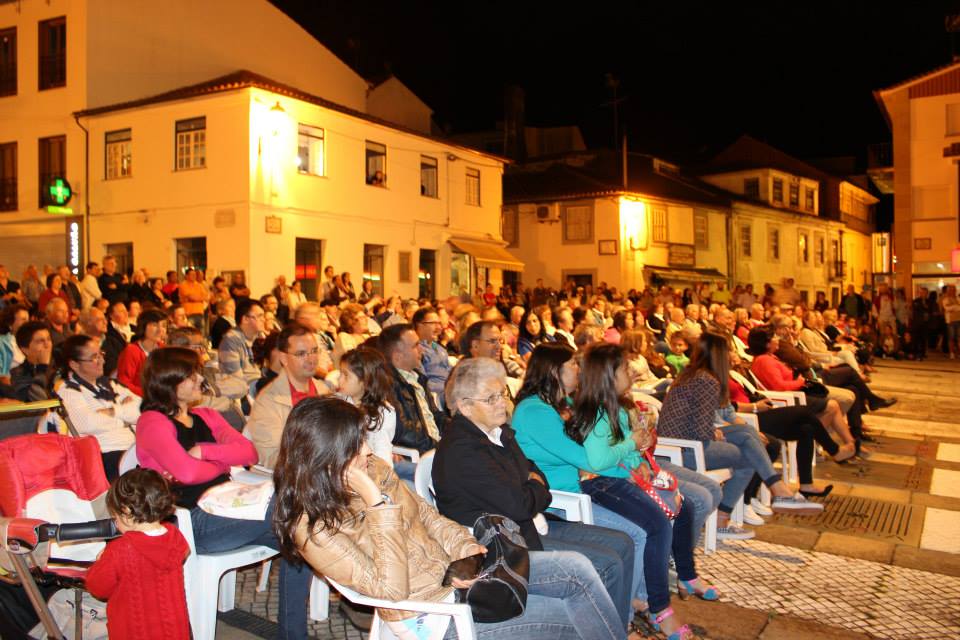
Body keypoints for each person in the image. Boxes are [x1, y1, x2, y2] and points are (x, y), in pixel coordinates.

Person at [272, 396, 634, 640]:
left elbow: (428, 518)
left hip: (460, 578)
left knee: (577, 569)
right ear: (326, 455)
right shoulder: (312, 528)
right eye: (356, 445)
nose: (368, 450)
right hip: (433, 614)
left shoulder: (373, 468)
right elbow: (392, 591)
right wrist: (377, 506)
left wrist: (468, 552)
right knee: (567, 616)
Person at [432, 358, 640, 635]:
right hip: (499, 553)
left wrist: (532, 485)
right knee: (588, 567)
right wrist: (535, 487)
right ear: (466, 405)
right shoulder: (464, 450)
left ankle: (615, 626)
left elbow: (532, 471)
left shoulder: (497, 432)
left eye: (502, 393)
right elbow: (520, 503)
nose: (500, 403)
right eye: (490, 398)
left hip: (525, 528)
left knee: (622, 544)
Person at [135, 347, 311, 636]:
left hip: (229, 507)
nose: (198, 381)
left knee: (301, 540)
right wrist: (220, 464)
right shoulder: (153, 422)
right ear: (168, 382)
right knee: (294, 510)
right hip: (192, 521)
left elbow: (248, 451)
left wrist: (204, 451)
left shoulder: (205, 416)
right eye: (189, 376)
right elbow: (187, 473)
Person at [658, 331, 824, 538]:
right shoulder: (707, 381)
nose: (730, 354)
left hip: (679, 444)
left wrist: (715, 431)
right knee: (747, 452)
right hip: (687, 449)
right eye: (727, 350)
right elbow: (699, 430)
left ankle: (770, 494)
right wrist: (714, 431)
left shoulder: (692, 375)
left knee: (747, 438)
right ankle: (773, 493)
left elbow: (691, 420)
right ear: (718, 354)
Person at [85, 469, 190, 640]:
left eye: (115, 517)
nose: (115, 522)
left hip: (134, 632)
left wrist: (100, 562)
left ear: (126, 513)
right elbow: (184, 552)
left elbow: (98, 587)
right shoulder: (174, 535)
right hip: (174, 631)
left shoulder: (120, 549)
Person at [57, 335, 140, 480]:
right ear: (75, 364)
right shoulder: (68, 391)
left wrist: (114, 411)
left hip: (133, 448)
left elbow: (143, 409)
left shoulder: (111, 384)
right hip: (105, 454)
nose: (102, 360)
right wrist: (125, 419)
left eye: (101, 354)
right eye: (94, 357)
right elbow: (87, 423)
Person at [247, 323, 330, 467]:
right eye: (301, 354)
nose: (311, 359)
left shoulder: (323, 391)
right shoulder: (268, 402)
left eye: (314, 351)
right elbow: (273, 458)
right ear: (283, 358)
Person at [378, 323, 443, 457]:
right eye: (415, 345)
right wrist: (440, 447)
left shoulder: (419, 378)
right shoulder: (387, 385)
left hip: (437, 448)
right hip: (422, 455)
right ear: (398, 356)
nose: (422, 350)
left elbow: (435, 416)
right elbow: (404, 432)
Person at [337, 347, 397, 467]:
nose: (339, 380)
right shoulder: (337, 403)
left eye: (346, 375)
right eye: (340, 374)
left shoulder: (383, 413)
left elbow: (382, 453)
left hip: (370, 470)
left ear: (365, 381)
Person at [117, 310, 168, 397]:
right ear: (143, 327)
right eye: (155, 325)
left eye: (163, 326)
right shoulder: (131, 351)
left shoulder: (165, 349)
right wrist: (150, 395)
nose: (160, 330)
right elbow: (123, 383)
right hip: (139, 400)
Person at [218, 298, 265, 386]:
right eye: (259, 316)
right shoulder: (230, 342)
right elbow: (235, 380)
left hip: (255, 388)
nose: (263, 319)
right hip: (243, 394)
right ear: (245, 319)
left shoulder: (256, 339)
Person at [413, 306, 452, 407]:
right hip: (436, 399)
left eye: (439, 323)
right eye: (433, 323)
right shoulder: (416, 350)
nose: (439, 327)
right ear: (419, 325)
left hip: (452, 392)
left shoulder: (439, 348)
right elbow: (421, 383)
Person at [10, 321, 53, 401]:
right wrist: (42, 367)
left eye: (49, 339)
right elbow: (39, 401)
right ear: (25, 349)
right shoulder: (19, 374)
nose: (47, 345)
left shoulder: (56, 368)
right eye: (40, 341)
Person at [332, 303, 369, 367]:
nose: (366, 319)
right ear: (350, 321)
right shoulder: (344, 337)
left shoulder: (367, 337)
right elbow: (353, 360)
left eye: (365, 316)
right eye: (362, 317)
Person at [0, 304, 29, 382]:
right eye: (23, 320)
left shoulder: (28, 342)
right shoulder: (2, 343)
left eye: (28, 320)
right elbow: (2, 377)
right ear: (10, 323)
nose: (27, 324)